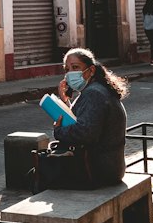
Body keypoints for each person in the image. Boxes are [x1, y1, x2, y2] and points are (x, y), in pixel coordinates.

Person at [37, 47, 129, 188]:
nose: (70, 74)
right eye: (67, 69)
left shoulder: (94, 94)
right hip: (109, 167)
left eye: (75, 67)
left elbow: (85, 133)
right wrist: (65, 102)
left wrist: (58, 130)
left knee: (42, 177)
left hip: (98, 170)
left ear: (91, 70)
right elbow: (84, 120)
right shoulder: (97, 89)